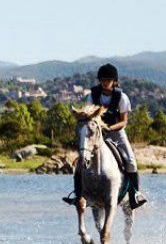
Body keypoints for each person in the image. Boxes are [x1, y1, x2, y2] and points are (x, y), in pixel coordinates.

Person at [63, 63, 148, 209]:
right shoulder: (93, 95)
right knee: (80, 164)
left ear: (114, 81)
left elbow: (124, 122)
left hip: (117, 133)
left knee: (131, 161)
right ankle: (77, 195)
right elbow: (89, 115)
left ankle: (134, 194)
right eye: (102, 80)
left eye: (108, 80)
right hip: (96, 134)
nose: (105, 83)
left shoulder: (122, 97)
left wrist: (108, 128)